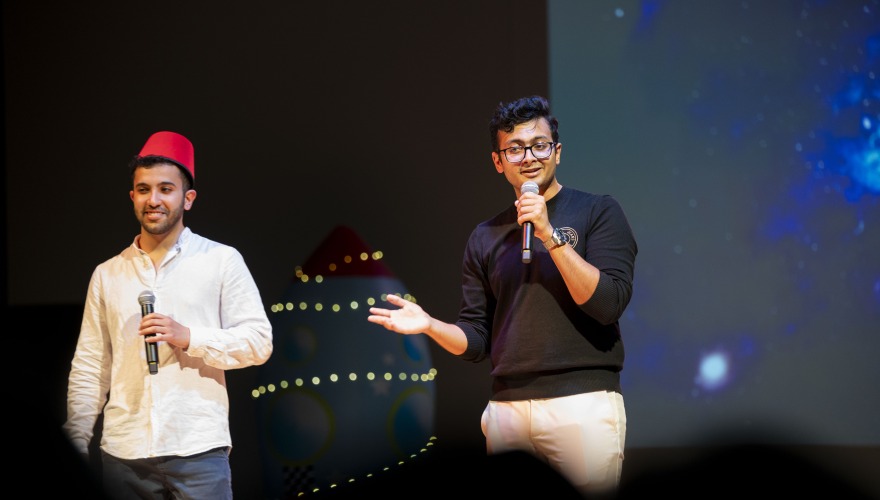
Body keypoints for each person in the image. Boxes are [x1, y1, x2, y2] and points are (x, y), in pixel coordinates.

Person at [368, 95, 637, 497]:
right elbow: (477, 339)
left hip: (581, 402)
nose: (528, 157)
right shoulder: (485, 236)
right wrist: (430, 325)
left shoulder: (598, 212)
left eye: (539, 145)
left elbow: (608, 304)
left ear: (557, 152)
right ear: (498, 161)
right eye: (515, 149)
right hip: (507, 409)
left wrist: (549, 234)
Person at [63, 131, 274, 499]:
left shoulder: (221, 260)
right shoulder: (108, 273)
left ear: (187, 198)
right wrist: (77, 439)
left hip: (197, 448)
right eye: (144, 190)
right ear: (132, 196)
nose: (154, 200)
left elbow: (259, 343)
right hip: (123, 452)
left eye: (166, 189)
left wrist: (189, 336)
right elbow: (90, 365)